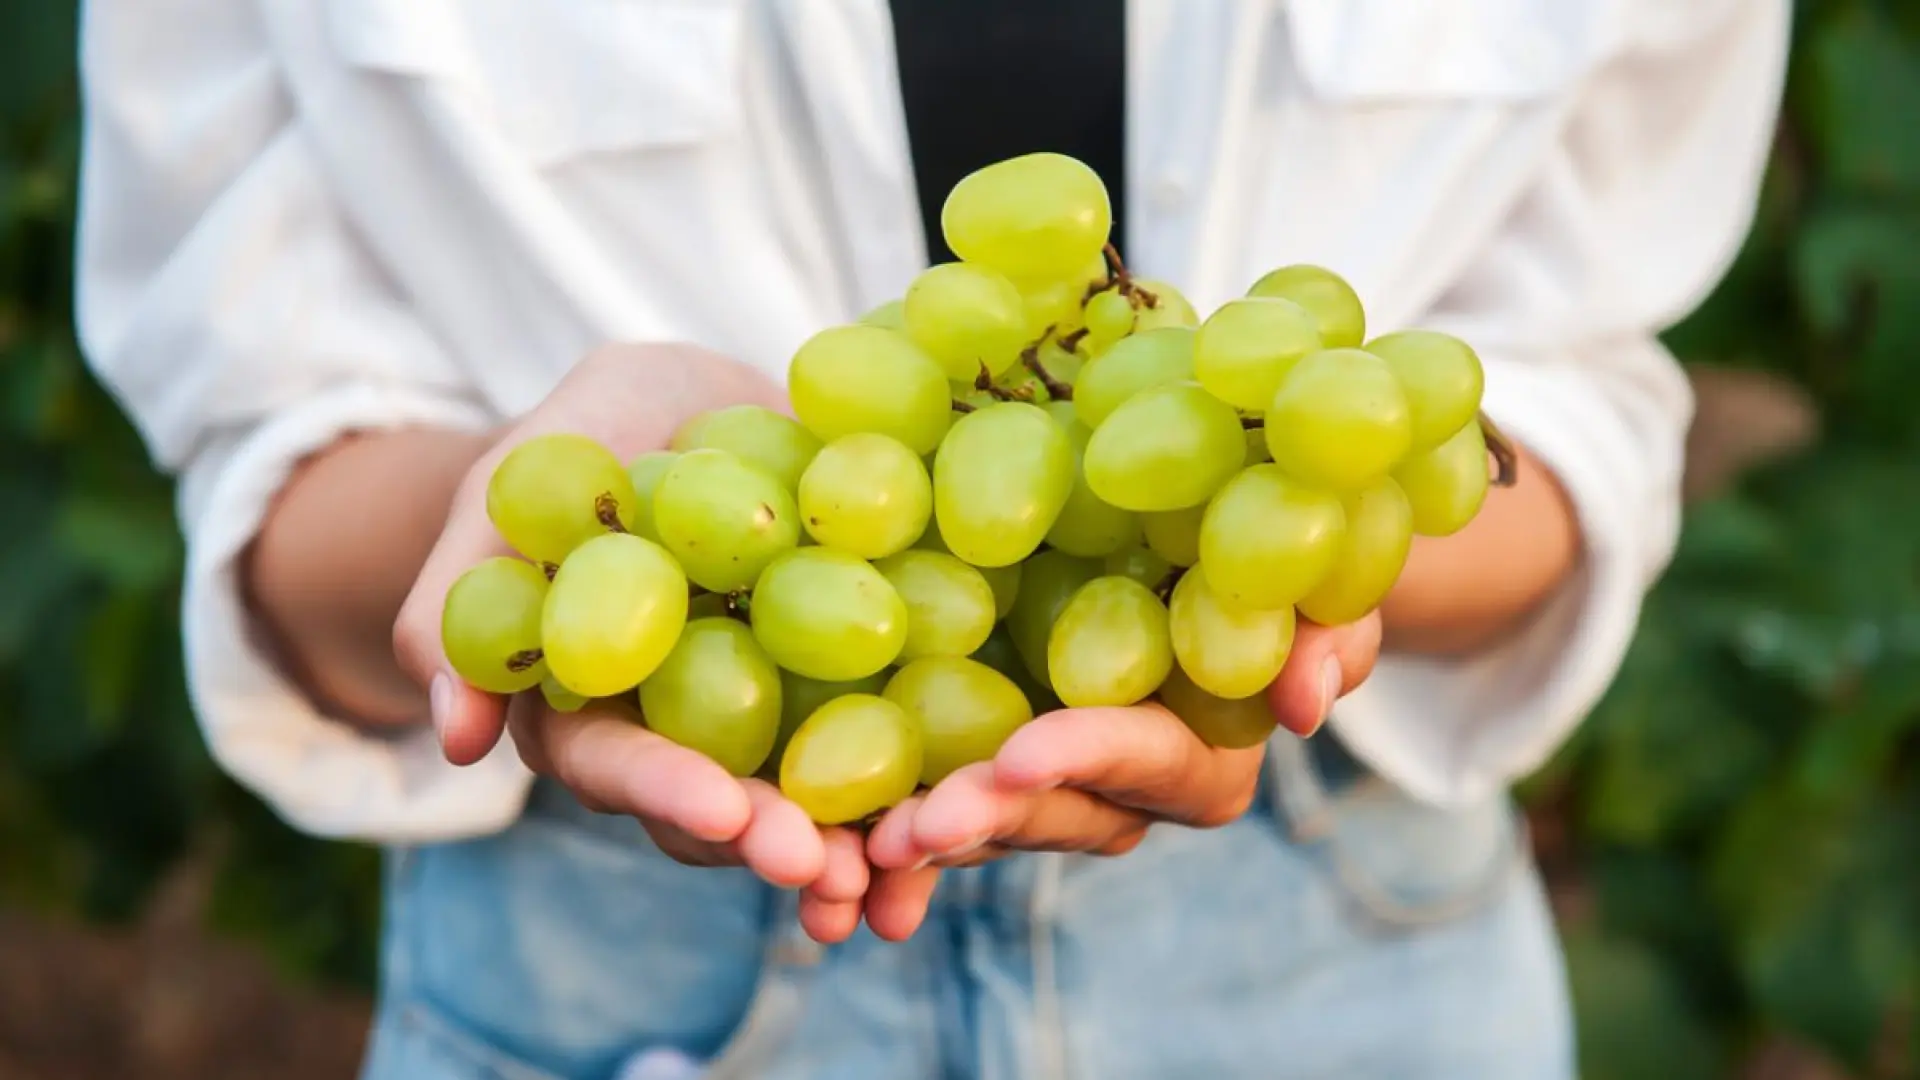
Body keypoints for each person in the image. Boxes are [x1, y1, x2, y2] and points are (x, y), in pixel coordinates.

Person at [74, 1, 1790, 1077]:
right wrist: (501, 526)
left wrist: (1278, 588)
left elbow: (1570, 414)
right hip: (605, 937)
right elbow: (266, 457)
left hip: (1344, 947)